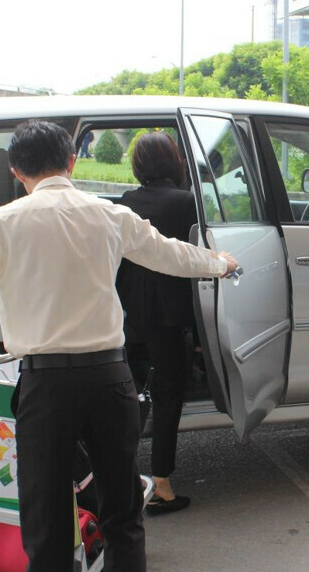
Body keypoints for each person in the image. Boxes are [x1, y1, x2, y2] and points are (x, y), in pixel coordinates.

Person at [0, 120, 238, 571]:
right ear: (72, 162)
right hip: (110, 379)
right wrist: (220, 264)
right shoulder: (109, 215)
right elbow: (172, 254)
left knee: (45, 520)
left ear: (16, 169)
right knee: (123, 515)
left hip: (44, 387)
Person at [116, 131, 197, 515]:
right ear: (174, 161)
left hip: (130, 313)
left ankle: (118, 476)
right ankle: (161, 480)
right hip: (168, 316)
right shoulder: (185, 203)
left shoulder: (126, 202)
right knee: (168, 396)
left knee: (129, 397)